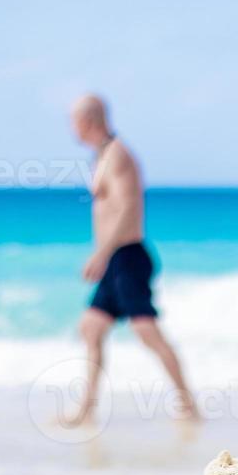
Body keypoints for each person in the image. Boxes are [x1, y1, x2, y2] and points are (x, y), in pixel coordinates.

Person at [64, 93, 197, 426]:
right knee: (92, 328)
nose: (71, 129)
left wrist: (102, 253)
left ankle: (188, 404)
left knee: (146, 332)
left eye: (73, 121)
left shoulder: (119, 155)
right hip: (114, 261)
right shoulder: (103, 155)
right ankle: (87, 409)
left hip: (126, 258)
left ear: (86, 121)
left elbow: (126, 209)